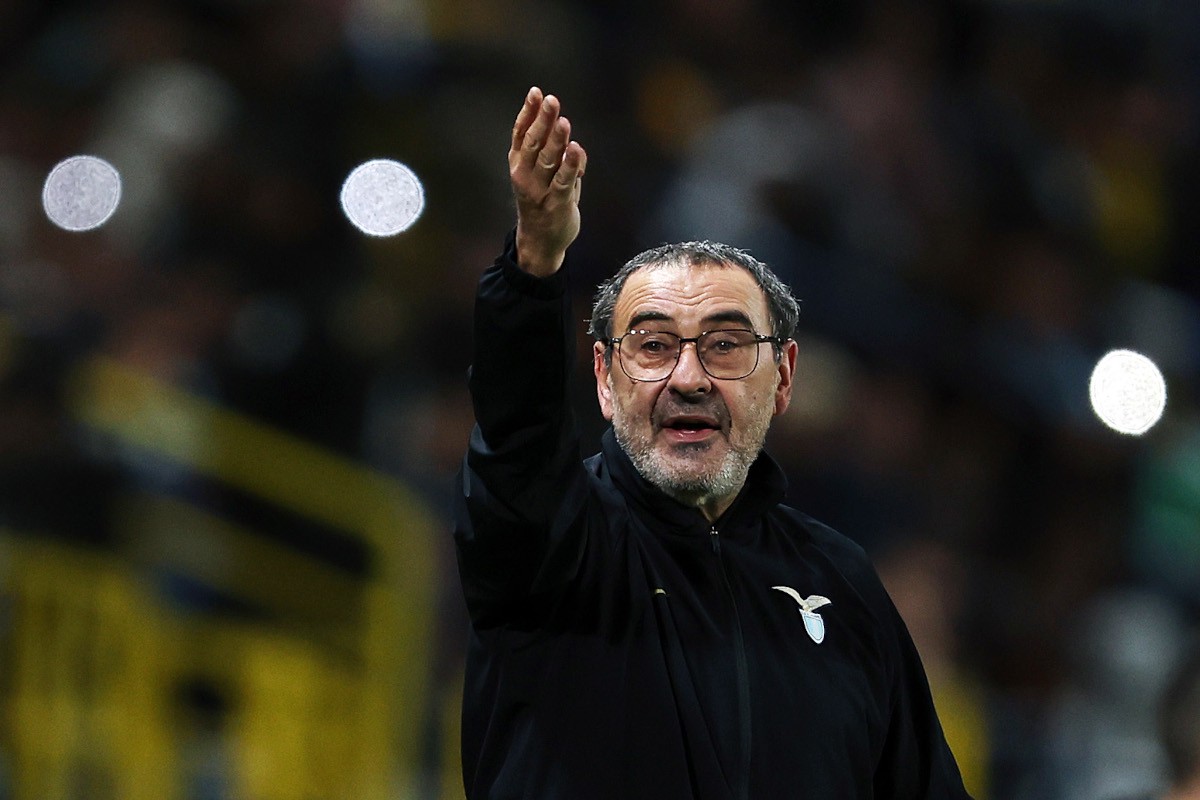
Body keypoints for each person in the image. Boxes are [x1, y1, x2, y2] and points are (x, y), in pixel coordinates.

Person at [452, 86, 972, 800]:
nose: (688, 377)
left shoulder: (840, 582)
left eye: (725, 346)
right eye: (654, 345)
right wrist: (534, 268)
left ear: (782, 377)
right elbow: (516, 442)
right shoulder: (555, 544)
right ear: (604, 378)